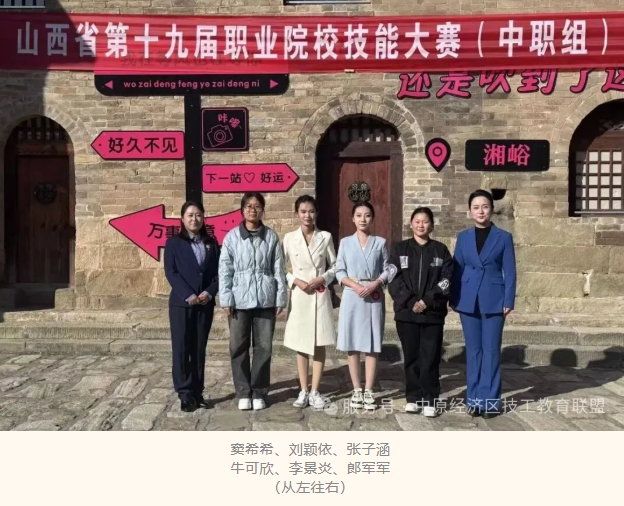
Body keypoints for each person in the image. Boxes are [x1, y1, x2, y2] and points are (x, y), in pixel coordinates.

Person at [450, 189, 517, 419]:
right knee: (473, 351)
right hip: (467, 299)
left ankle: (491, 401)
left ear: (491, 209)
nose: (481, 211)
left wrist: (508, 300)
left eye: (485, 206)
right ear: (470, 211)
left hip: (494, 299)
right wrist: (454, 298)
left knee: (491, 351)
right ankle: (474, 399)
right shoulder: (463, 237)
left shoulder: (503, 237)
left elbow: (510, 271)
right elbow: (456, 269)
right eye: (476, 207)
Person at [218, 192, 288, 411]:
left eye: (257, 206)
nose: (253, 210)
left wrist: (280, 297)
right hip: (238, 301)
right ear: (242, 210)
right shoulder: (232, 238)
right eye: (248, 206)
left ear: (262, 210)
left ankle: (259, 391)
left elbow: (279, 269)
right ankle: (243, 391)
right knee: (238, 347)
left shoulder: (271, 237)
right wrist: (226, 298)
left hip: (265, 299)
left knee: (264, 347)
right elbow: (225, 270)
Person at [388, 207, 453, 418]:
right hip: (407, 313)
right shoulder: (400, 249)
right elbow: (393, 278)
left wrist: (427, 300)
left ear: (431, 225)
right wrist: (411, 301)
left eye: (425, 221)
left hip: (432, 314)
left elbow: (447, 279)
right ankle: (413, 398)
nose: (421, 225)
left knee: (431, 357)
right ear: (411, 224)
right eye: (417, 221)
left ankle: (430, 399)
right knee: (411, 357)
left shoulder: (440, 250)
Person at [336, 201, 393, 411]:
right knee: (352, 344)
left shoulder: (380, 242)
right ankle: (356, 389)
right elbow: (339, 270)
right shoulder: (345, 243)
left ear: (372, 218)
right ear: (353, 218)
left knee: (372, 342)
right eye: (359, 215)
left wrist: (376, 283)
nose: (363, 219)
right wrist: (355, 285)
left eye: (367, 215)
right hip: (352, 295)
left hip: (373, 295)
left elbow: (387, 269)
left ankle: (369, 389)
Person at [164, 201, 220, 412]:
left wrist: (209, 292)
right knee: (181, 348)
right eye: (190, 215)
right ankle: (185, 393)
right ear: (182, 219)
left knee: (199, 348)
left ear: (203, 218)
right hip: (181, 304)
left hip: (204, 304)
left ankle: (198, 391)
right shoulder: (174, 243)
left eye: (198, 215)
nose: (194, 219)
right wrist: (188, 295)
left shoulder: (211, 243)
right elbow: (171, 272)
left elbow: (219, 273)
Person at [282, 195, 337, 410]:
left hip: (319, 294)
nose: (307, 215)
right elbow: (280, 268)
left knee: (319, 342)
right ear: (297, 213)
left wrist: (323, 278)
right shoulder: (289, 238)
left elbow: (335, 265)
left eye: (311, 211)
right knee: (301, 343)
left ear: (317, 213)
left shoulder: (325, 237)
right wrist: (295, 280)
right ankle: (303, 389)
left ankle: (315, 390)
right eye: (303, 211)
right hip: (300, 294)